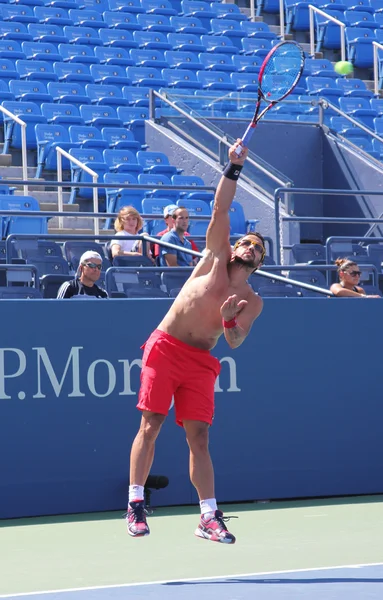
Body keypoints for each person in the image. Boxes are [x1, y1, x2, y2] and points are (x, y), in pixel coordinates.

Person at [126, 140, 265, 544]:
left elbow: (236, 341)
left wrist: (228, 323)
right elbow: (221, 207)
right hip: (166, 347)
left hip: (201, 361)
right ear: (236, 246)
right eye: (248, 242)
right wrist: (234, 166)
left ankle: (208, 516)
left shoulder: (253, 301)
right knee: (150, 424)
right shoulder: (215, 255)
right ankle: (135, 503)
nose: (251, 247)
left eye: (259, 248)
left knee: (199, 437)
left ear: (260, 262)